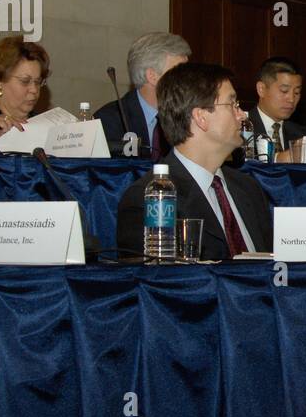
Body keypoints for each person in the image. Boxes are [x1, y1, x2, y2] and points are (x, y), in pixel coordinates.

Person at [116, 63, 272, 259]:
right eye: (232, 104)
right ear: (200, 117)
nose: (242, 115)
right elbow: (159, 284)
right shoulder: (151, 200)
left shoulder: (249, 188)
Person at [95, 31, 191, 161]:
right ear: (152, 76)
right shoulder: (109, 121)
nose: (189, 80)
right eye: (179, 73)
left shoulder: (191, 118)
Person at [248, 58, 305, 155]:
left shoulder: (303, 136)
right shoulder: (241, 130)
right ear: (261, 89)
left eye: (296, 92)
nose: (291, 99)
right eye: (284, 91)